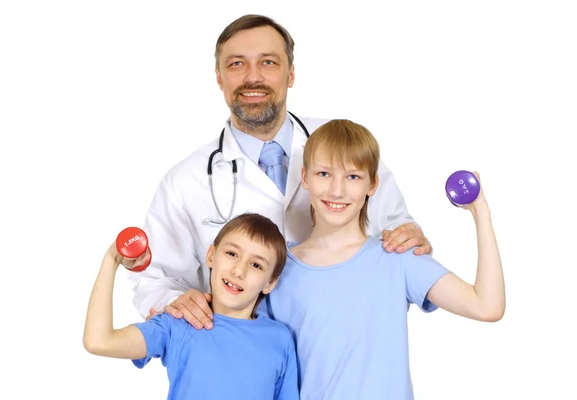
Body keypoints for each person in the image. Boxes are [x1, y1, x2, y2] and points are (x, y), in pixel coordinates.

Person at [128, 14, 433, 327]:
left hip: (346, 346)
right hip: (249, 360)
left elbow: (396, 233)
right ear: (219, 77)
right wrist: (174, 301)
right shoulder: (184, 182)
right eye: (236, 64)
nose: (253, 77)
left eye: (269, 62)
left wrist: (408, 237)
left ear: (291, 74)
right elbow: (154, 282)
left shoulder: (347, 148)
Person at [259, 119, 505, 399]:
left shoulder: (397, 256)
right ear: (305, 177)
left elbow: (487, 306)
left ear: (373, 184)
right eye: (324, 174)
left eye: (353, 176)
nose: (337, 191)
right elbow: (259, 366)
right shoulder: (278, 270)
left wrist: (480, 213)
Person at [83, 213, 300, 400]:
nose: (238, 271)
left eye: (256, 265)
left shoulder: (279, 339)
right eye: (232, 254)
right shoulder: (177, 323)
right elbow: (99, 342)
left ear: (270, 282)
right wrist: (111, 259)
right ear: (211, 256)